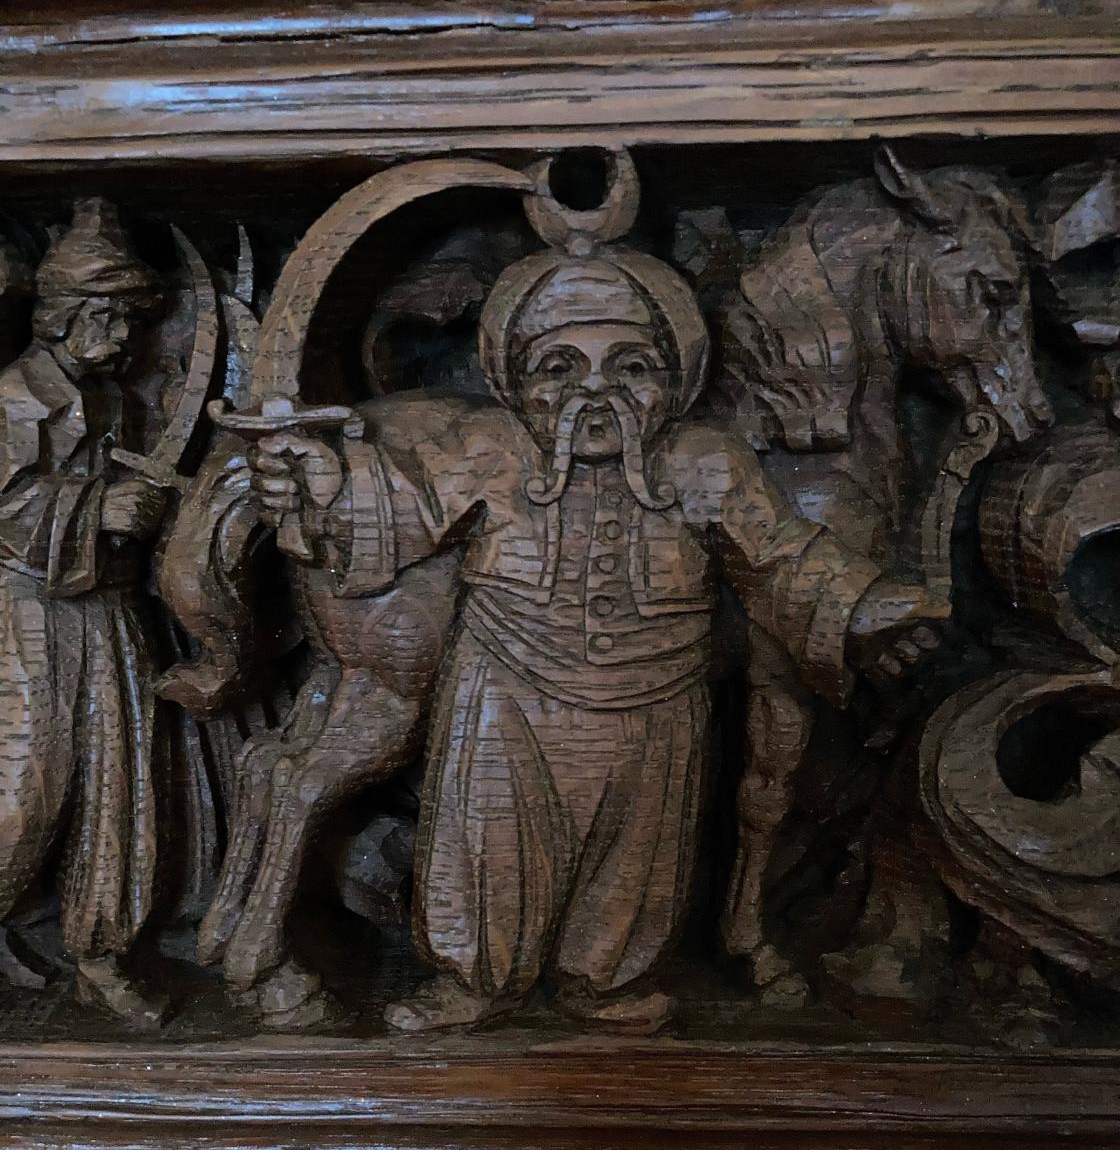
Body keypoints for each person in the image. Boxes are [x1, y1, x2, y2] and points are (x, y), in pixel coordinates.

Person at [250, 232, 945, 1035]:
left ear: (672, 379)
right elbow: (400, 514)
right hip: (507, 691)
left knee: (635, 859)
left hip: (656, 700)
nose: (596, 391)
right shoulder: (488, 451)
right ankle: (473, 978)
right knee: (489, 850)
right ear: (519, 380)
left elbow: (780, 556)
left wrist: (863, 608)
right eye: (561, 368)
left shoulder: (705, 463)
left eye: (630, 367)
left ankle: (604, 981)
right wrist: (326, 484)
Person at [0, 198, 170, 1025]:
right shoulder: (13, 398)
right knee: (25, 790)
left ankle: (102, 956)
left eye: (132, 318)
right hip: (27, 616)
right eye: (109, 316)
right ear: (65, 315)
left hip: (107, 613)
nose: (124, 335)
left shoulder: (119, 404)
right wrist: (93, 506)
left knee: (117, 789)